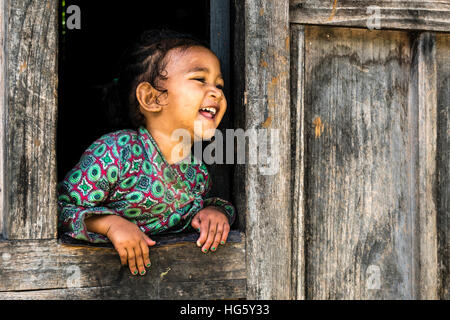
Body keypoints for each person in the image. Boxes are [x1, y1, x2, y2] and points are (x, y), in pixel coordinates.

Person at [57, 29, 236, 276]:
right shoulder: (116, 153)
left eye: (219, 84)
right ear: (151, 98)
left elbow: (204, 205)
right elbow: (60, 207)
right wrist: (108, 225)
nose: (217, 92)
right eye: (199, 79)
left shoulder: (196, 172)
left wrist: (215, 213)